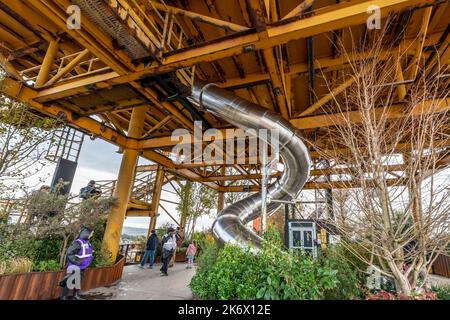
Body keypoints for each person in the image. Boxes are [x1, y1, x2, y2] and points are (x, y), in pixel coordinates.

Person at [60, 227, 94, 300]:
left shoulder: (87, 243)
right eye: (91, 233)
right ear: (86, 234)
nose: (92, 235)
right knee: (69, 282)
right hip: (74, 266)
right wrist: (78, 261)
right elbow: (69, 253)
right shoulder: (77, 242)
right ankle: (63, 297)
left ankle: (75, 296)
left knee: (78, 281)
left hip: (82, 266)